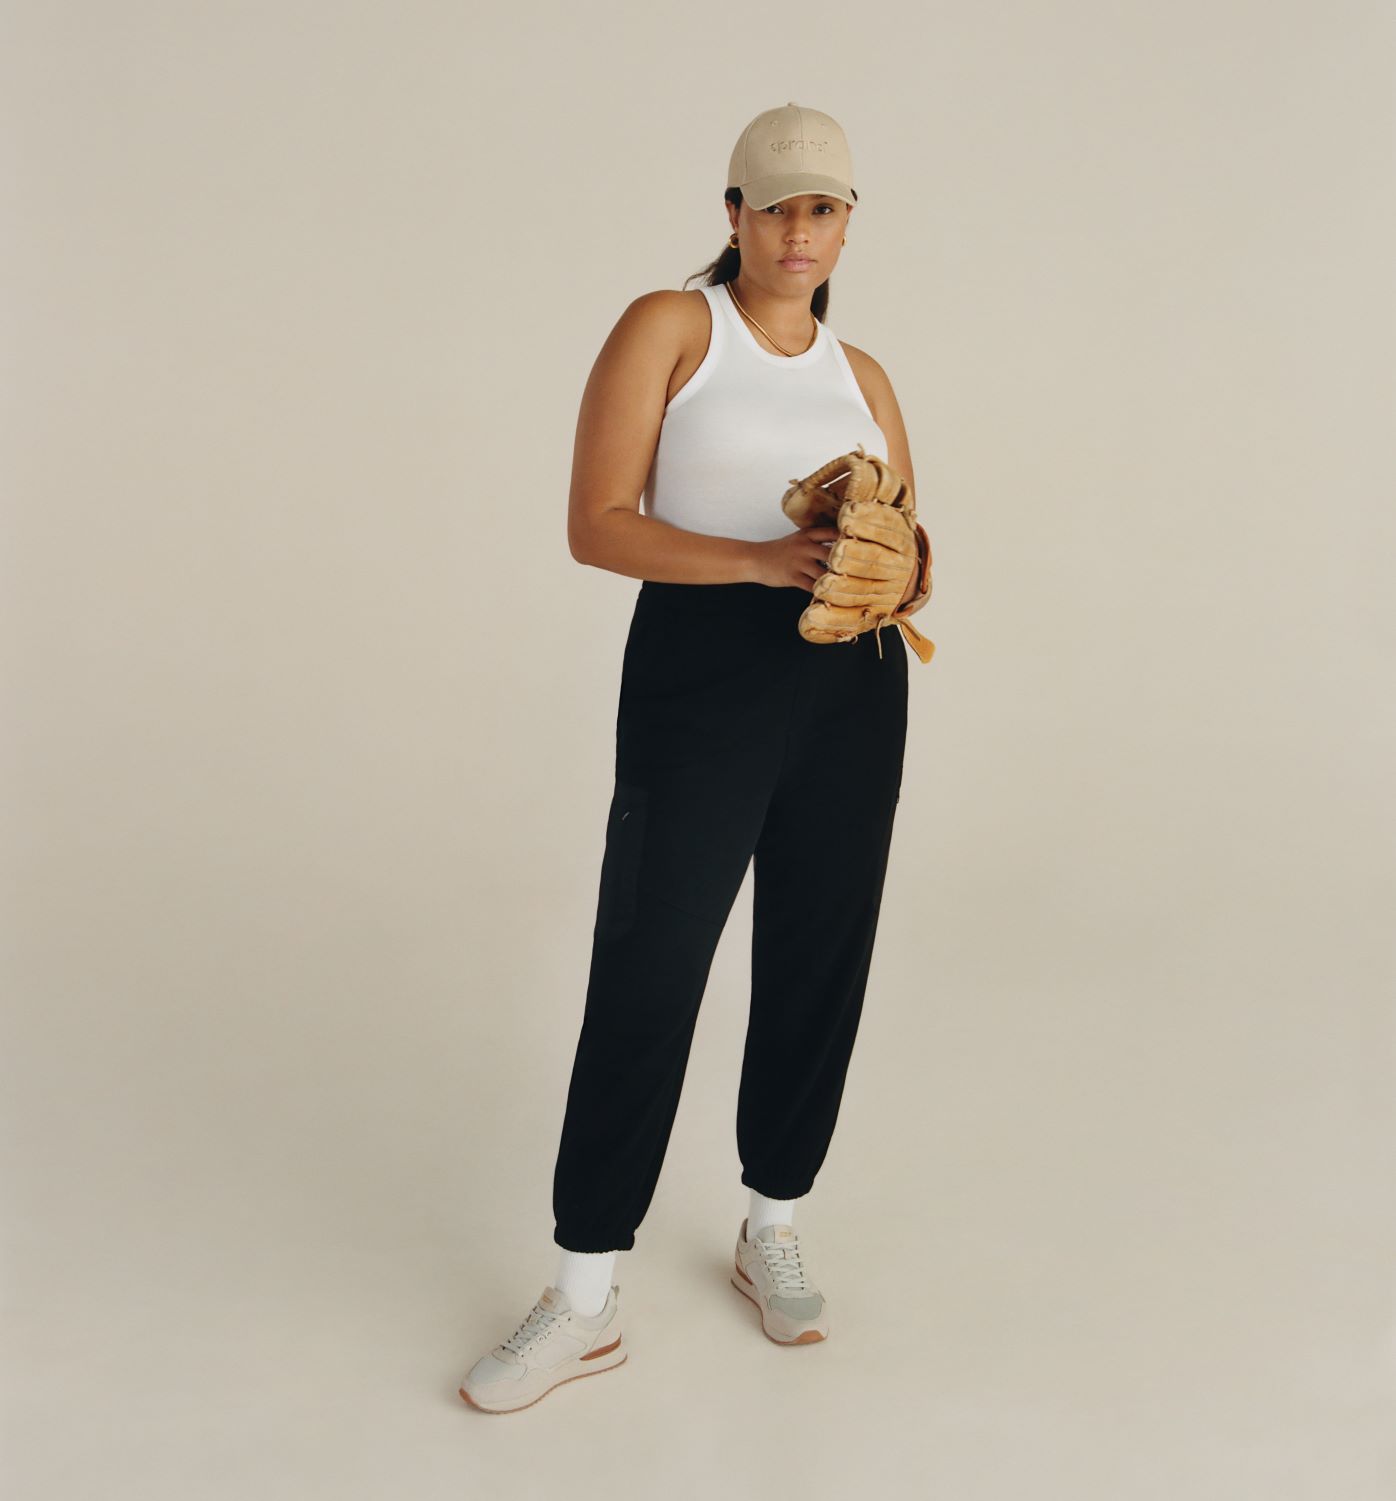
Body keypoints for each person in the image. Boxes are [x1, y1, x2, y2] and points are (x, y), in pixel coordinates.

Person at [460, 102, 931, 1414]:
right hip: (702, 674)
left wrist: (902, 567)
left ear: (847, 224)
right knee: (649, 965)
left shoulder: (865, 374)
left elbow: (909, 539)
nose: (799, 230)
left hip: (853, 684)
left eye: (823, 207)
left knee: (818, 954)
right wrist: (763, 560)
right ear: (734, 213)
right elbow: (596, 523)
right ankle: (583, 1295)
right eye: (775, 206)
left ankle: (772, 1220)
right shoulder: (674, 328)